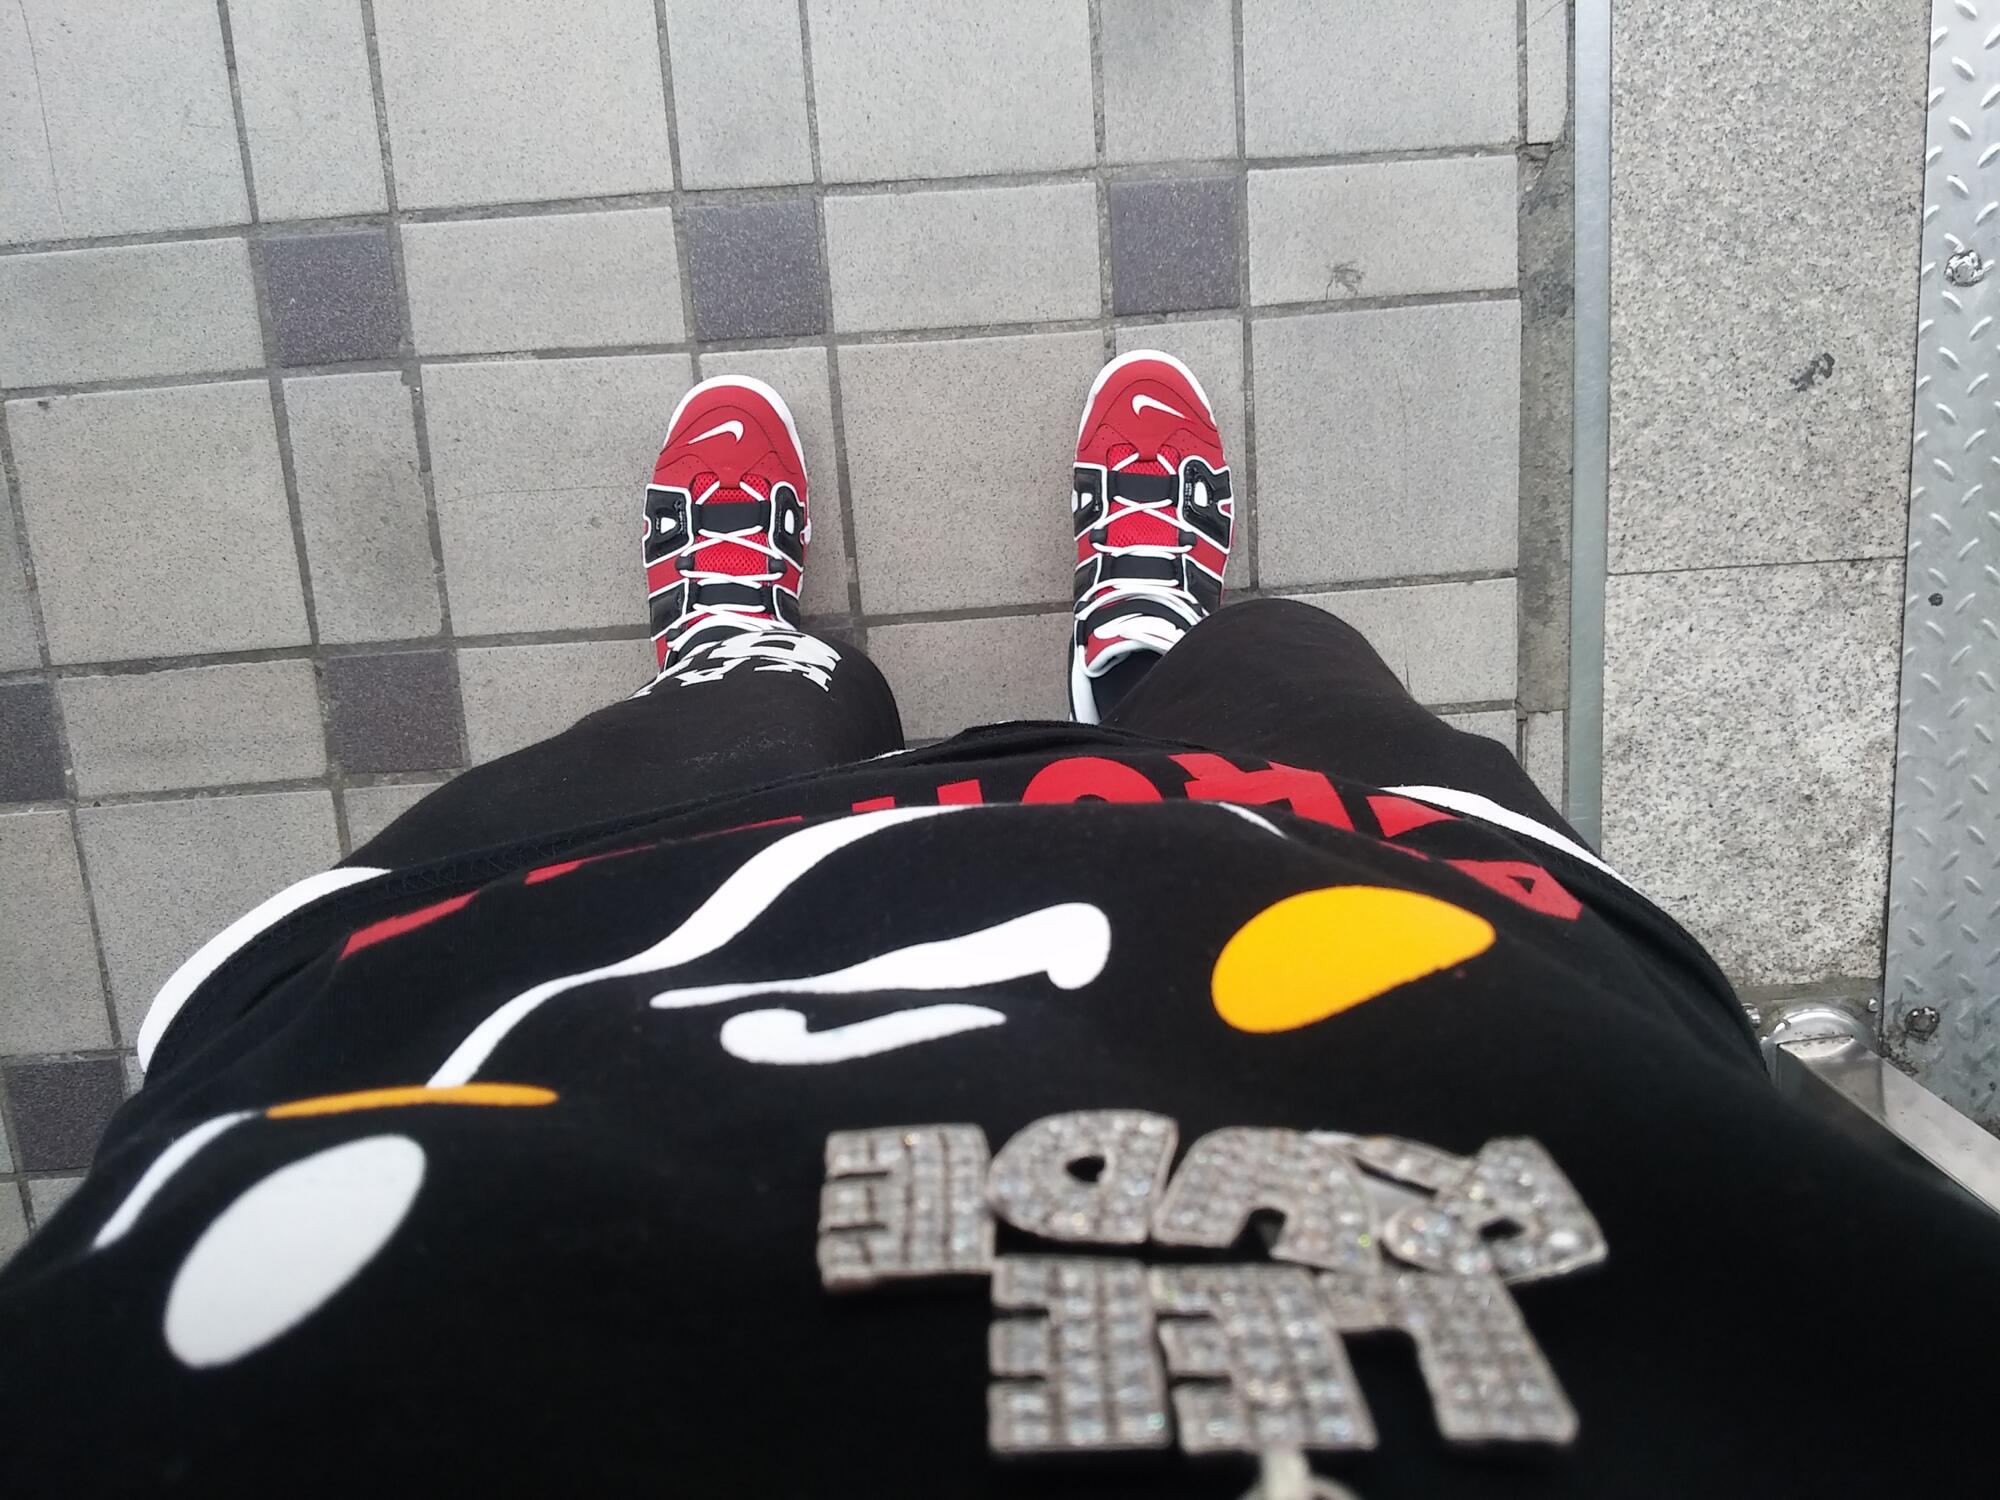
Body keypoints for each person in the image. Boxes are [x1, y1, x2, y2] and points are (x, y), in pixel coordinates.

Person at [1, 353, 1993, 1498]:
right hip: (1408, 977)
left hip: (504, 1012)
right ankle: (1147, 653)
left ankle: (751, 656)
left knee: (719, 745)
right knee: (1292, 682)